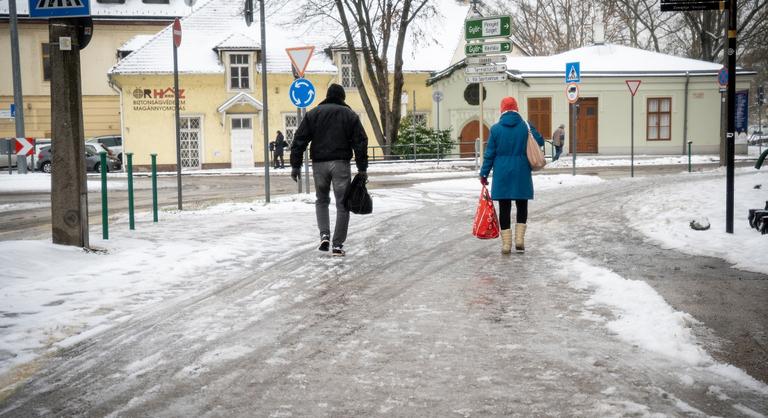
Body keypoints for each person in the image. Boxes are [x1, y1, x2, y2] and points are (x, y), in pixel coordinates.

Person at [290, 83, 369, 257]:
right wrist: (362, 168)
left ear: (327, 96)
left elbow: (299, 140)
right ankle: (337, 245)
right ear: (342, 97)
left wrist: (295, 165)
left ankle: (324, 235)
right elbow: (361, 141)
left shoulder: (313, 114)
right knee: (342, 204)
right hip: (340, 163)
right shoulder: (349, 115)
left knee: (322, 200)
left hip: (319, 164)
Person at [479, 97, 545, 254]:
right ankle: (520, 240)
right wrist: (530, 127)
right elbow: (540, 141)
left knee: (504, 208)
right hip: (522, 171)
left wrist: (484, 173)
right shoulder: (524, 126)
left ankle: (506, 245)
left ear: (502, 109)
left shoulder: (495, 129)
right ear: (516, 108)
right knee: (522, 205)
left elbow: (489, 154)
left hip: (502, 173)